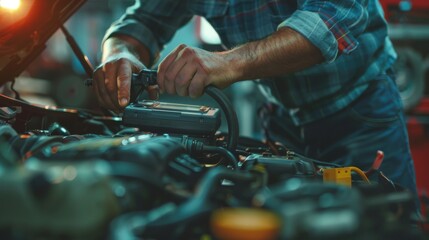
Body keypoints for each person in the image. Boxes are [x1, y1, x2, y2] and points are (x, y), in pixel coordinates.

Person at [93, 0, 419, 213]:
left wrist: (229, 63)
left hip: (361, 112)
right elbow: (140, 23)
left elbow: (331, 19)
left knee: (387, 224)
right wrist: (119, 54)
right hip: (281, 122)